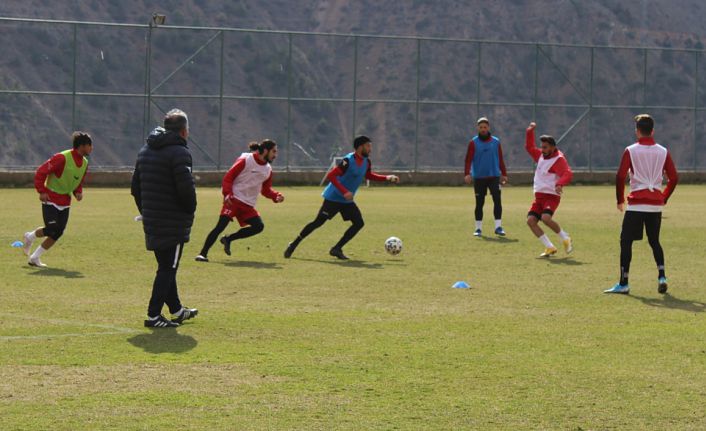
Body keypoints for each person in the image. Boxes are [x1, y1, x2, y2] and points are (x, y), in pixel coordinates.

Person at [131, 109, 198, 328]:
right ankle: (153, 315)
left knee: (166, 265)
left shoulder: (145, 150)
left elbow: (135, 187)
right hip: (173, 220)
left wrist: (147, 210)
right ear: (184, 131)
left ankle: (177, 310)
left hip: (152, 218)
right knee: (168, 268)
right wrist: (190, 211)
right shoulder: (180, 153)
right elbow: (186, 189)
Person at [284, 135, 399, 260]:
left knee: (358, 223)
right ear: (360, 147)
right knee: (318, 222)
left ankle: (336, 248)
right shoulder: (347, 160)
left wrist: (387, 178)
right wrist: (344, 191)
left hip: (346, 201)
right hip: (333, 198)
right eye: (368, 146)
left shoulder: (367, 162)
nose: (370, 149)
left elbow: (368, 175)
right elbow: (331, 176)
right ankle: (294, 244)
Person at [605, 114, 678, 294]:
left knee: (626, 241)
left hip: (637, 204)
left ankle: (624, 283)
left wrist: (619, 199)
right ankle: (662, 276)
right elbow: (674, 178)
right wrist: (664, 197)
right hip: (655, 205)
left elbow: (621, 176)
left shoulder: (631, 150)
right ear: (652, 131)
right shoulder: (663, 151)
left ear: (637, 131)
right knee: (654, 241)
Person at [195, 139, 284, 262]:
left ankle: (228, 239)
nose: (275, 155)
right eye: (274, 151)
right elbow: (228, 177)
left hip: (247, 205)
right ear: (265, 151)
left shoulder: (268, 170)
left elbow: (266, 190)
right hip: (234, 200)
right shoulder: (246, 160)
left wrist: (276, 196)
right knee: (220, 226)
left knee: (258, 226)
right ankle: (202, 254)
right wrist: (227, 194)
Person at [22, 132, 93, 267]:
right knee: (52, 228)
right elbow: (41, 172)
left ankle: (34, 258)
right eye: (90, 145)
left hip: (65, 201)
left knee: (58, 232)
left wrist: (78, 192)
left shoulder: (84, 163)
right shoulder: (62, 157)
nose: (92, 148)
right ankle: (30, 236)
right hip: (51, 198)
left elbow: (78, 181)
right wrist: (42, 191)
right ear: (82, 146)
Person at [525, 122, 573, 258]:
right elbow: (529, 147)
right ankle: (549, 247)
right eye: (542, 147)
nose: (542, 149)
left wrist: (560, 184)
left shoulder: (558, 159)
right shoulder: (541, 155)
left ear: (553, 147)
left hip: (551, 196)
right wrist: (529, 131)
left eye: (545, 147)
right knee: (531, 221)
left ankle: (565, 237)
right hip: (539, 197)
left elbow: (567, 173)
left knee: (546, 218)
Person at [464, 117, 508, 237]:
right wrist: (467, 174)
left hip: (494, 176)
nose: (483, 129)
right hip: (479, 177)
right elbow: (468, 160)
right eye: (481, 127)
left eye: (485, 127)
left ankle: (498, 227)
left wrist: (503, 174)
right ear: (478, 128)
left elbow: (500, 159)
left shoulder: (496, 142)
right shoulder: (473, 142)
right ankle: (478, 229)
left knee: (497, 200)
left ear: (488, 127)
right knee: (479, 203)